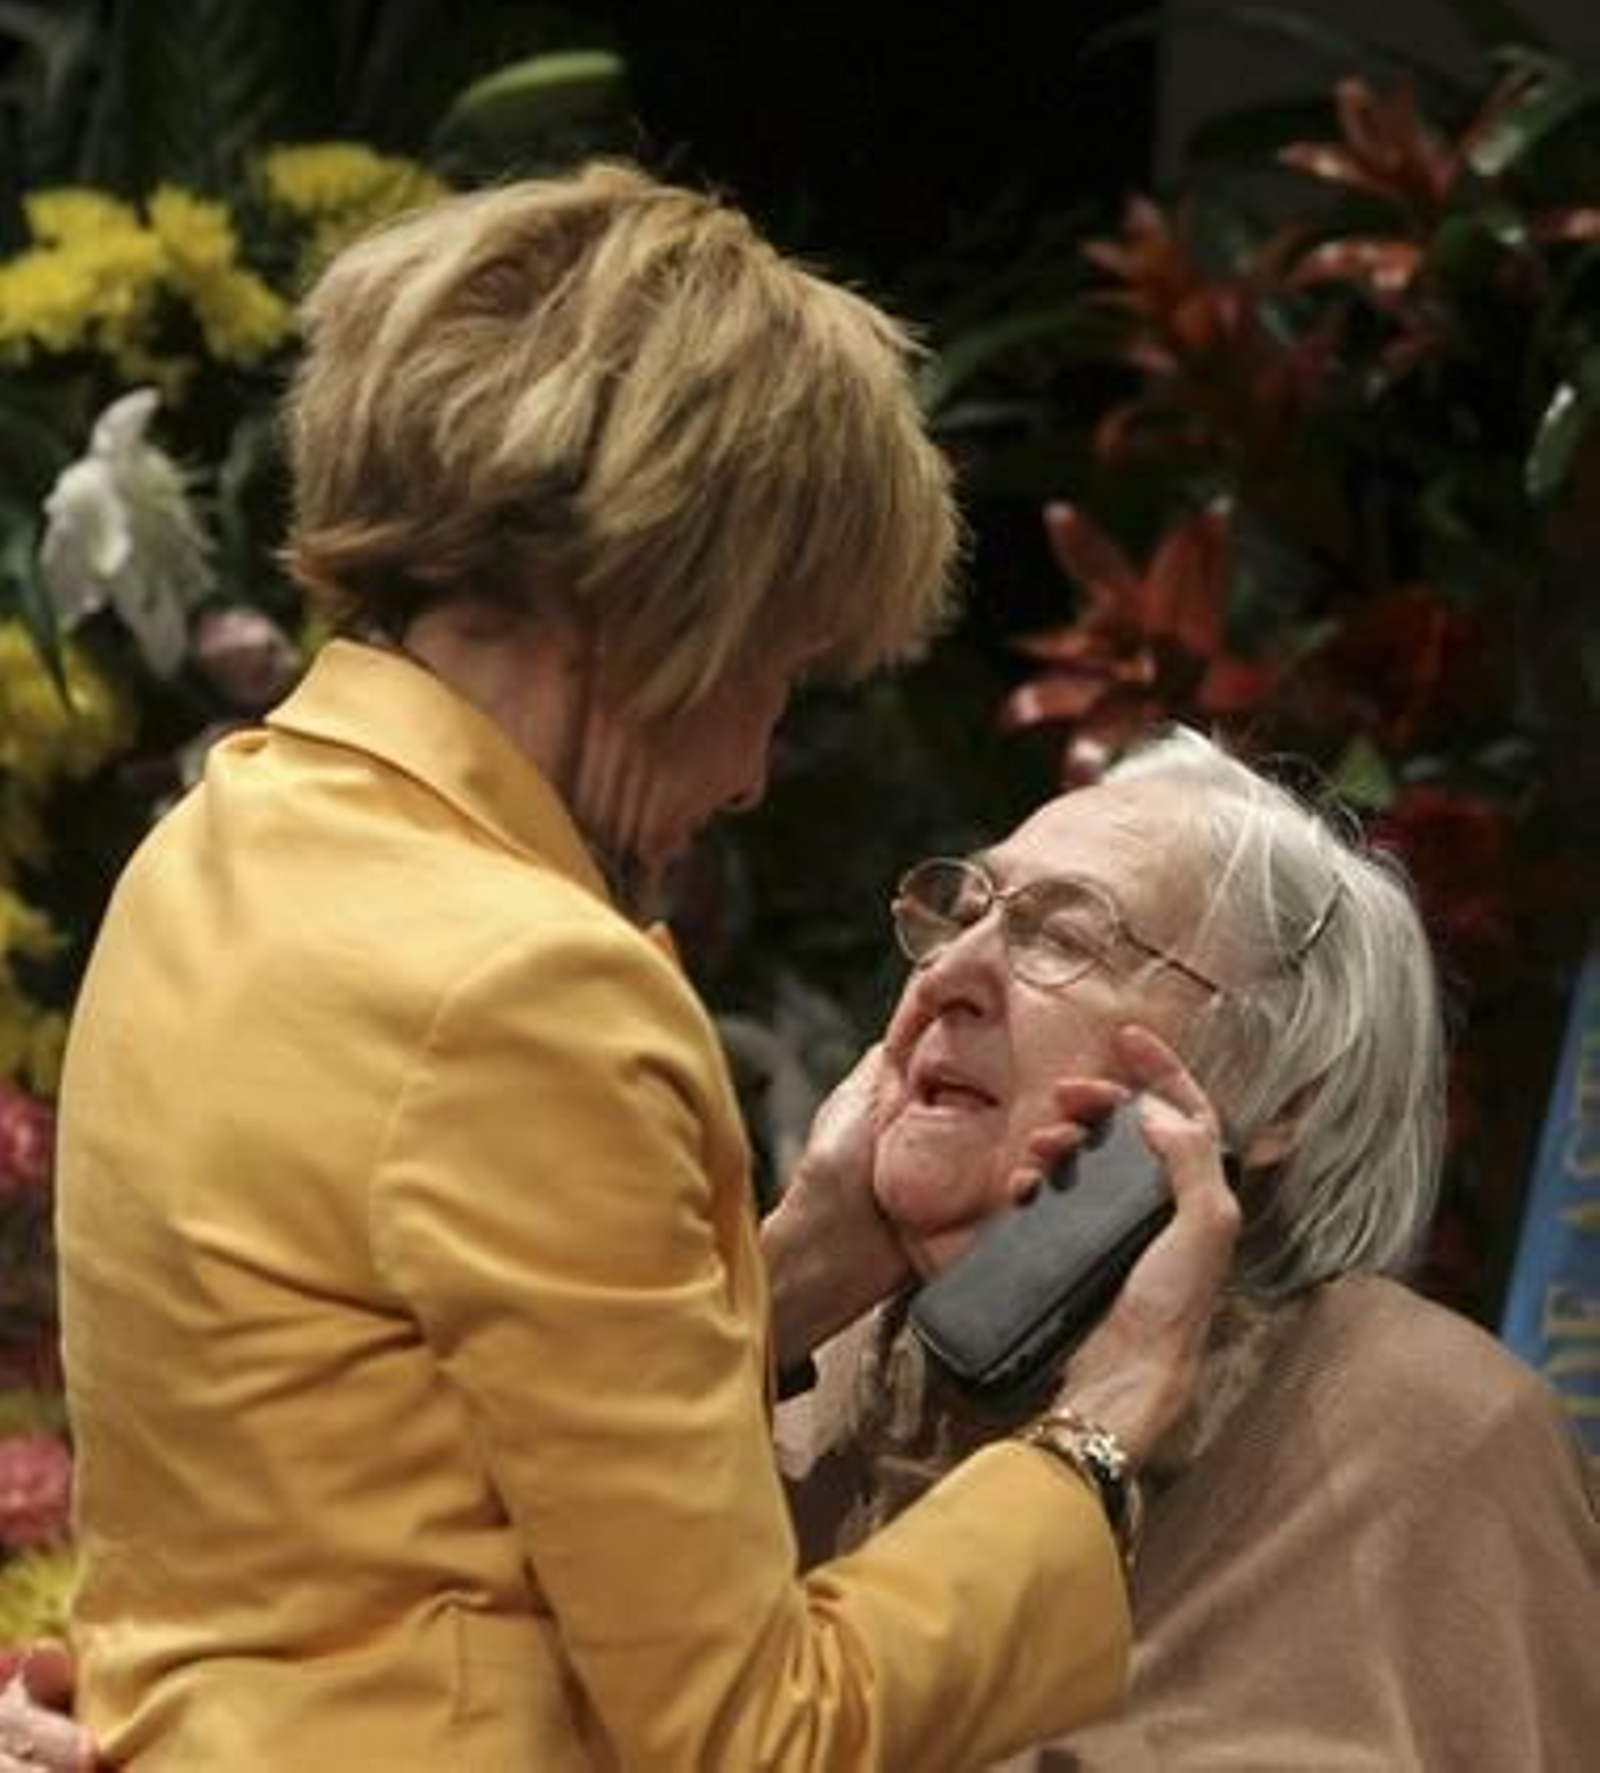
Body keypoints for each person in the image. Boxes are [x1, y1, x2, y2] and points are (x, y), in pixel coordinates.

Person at [15, 164, 1240, 1771]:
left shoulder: (214, 845)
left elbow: (419, 1441)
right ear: (674, 599)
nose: (752, 770)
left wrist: (818, 1246)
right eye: (787, 674)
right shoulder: (534, 987)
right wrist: (1104, 1423)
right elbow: (756, 1730)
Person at [780, 725, 1600, 1771]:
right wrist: (775, 1292)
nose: (954, 970)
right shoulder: (794, 1356)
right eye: (964, 912)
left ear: (1275, 1094)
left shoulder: (1421, 1425)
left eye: (1063, 938)